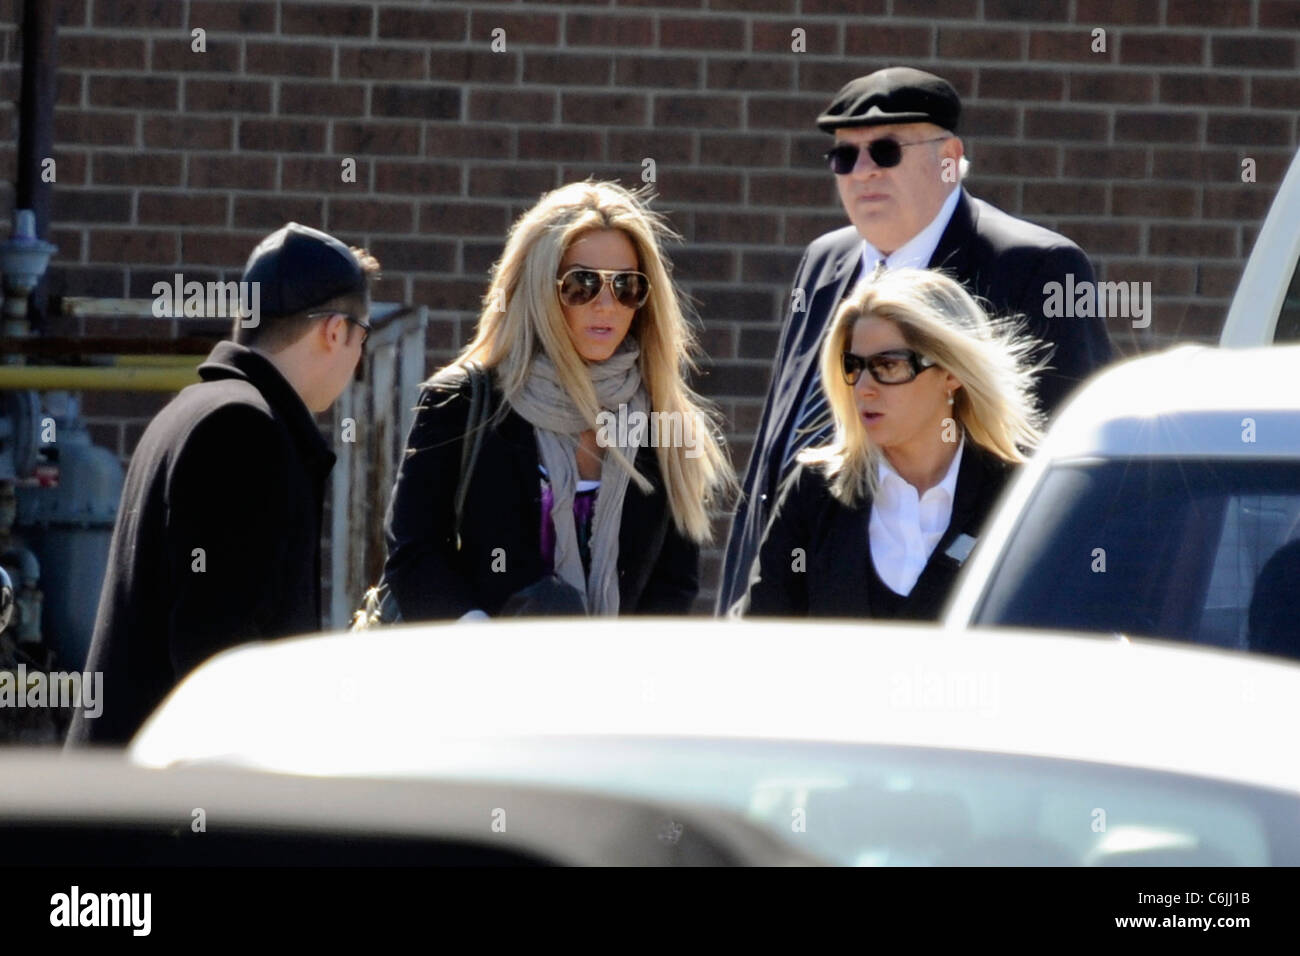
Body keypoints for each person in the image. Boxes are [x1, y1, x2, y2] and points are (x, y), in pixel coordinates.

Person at [718, 66, 1113, 613]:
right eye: (844, 156)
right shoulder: (824, 263)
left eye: (884, 151)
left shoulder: (1034, 267)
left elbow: (1070, 468)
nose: (862, 172)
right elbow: (778, 448)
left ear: (949, 157)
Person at [67, 223, 378, 746]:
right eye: (362, 336)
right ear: (334, 330)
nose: (358, 356)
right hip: (172, 807)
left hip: (129, 796)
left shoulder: (196, 408)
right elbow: (218, 660)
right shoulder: (244, 430)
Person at [382, 180, 733, 620]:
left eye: (626, 286)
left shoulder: (666, 420)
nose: (606, 304)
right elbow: (414, 556)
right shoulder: (461, 402)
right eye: (582, 284)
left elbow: (674, 584)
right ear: (539, 289)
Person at [735, 267, 1042, 619]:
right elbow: (763, 643)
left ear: (951, 373)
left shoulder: (1020, 498)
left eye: (889, 365)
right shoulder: (816, 492)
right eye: (854, 366)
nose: (864, 386)